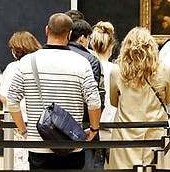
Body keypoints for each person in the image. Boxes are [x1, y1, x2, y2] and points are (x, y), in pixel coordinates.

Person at [6, 13, 101, 170]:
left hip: (38, 143)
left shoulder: (27, 62)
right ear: (69, 34)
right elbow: (94, 101)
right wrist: (93, 129)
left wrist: (23, 130)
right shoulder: (82, 63)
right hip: (71, 143)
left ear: (46, 30)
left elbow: (12, 100)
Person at [107, 27, 170, 169]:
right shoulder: (165, 70)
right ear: (152, 47)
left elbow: (114, 102)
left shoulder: (117, 71)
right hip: (155, 134)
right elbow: (167, 101)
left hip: (125, 135)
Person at [0, 31, 42, 171]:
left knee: (19, 163)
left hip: (19, 124)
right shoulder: (42, 65)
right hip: (41, 123)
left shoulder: (13, 68)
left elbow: (4, 96)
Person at [68, 18, 105, 169]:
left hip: (56, 121)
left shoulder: (57, 54)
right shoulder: (91, 59)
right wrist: (94, 127)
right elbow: (94, 96)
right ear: (83, 38)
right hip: (83, 122)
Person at [90, 21, 118, 161]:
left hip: (90, 128)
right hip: (111, 127)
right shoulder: (117, 70)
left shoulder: (87, 68)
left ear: (92, 45)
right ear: (112, 46)